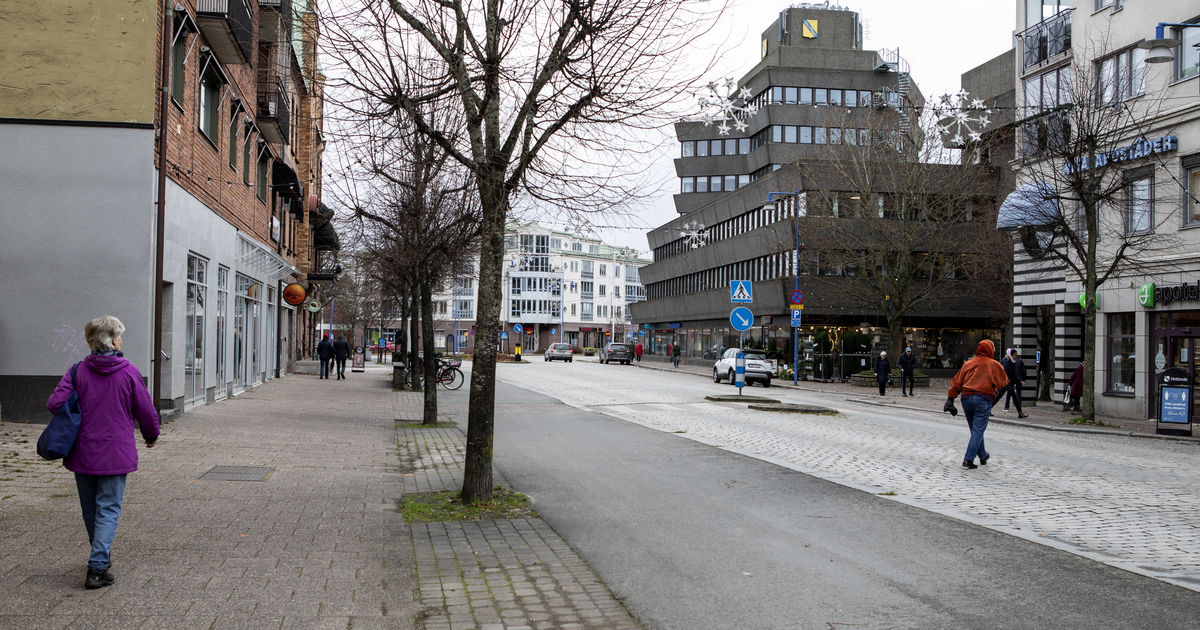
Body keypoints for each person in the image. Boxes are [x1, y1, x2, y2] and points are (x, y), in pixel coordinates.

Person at [47, 316, 159, 589]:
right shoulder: (129, 372)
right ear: (113, 340)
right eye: (120, 335)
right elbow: (145, 410)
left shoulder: (77, 372)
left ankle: (101, 557)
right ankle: (97, 567)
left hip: (82, 450)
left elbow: (54, 403)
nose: (121, 339)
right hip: (115, 452)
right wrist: (150, 435)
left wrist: (81, 402)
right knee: (108, 509)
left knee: (90, 509)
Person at [944, 339, 1009, 469]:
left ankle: (983, 455)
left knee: (975, 430)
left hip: (966, 398)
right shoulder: (994, 364)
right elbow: (1003, 382)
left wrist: (950, 398)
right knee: (978, 430)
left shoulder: (968, 364)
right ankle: (968, 460)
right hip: (983, 398)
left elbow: (957, 382)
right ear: (991, 350)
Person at [999, 348, 1029, 418]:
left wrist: (1020, 381)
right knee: (1013, 396)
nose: (1016, 357)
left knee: (1000, 396)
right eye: (1014, 355)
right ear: (1011, 355)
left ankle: (1020, 412)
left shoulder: (1011, 362)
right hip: (1007, 382)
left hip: (1007, 382)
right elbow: (1003, 371)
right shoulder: (1007, 361)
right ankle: (1020, 412)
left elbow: (1014, 373)